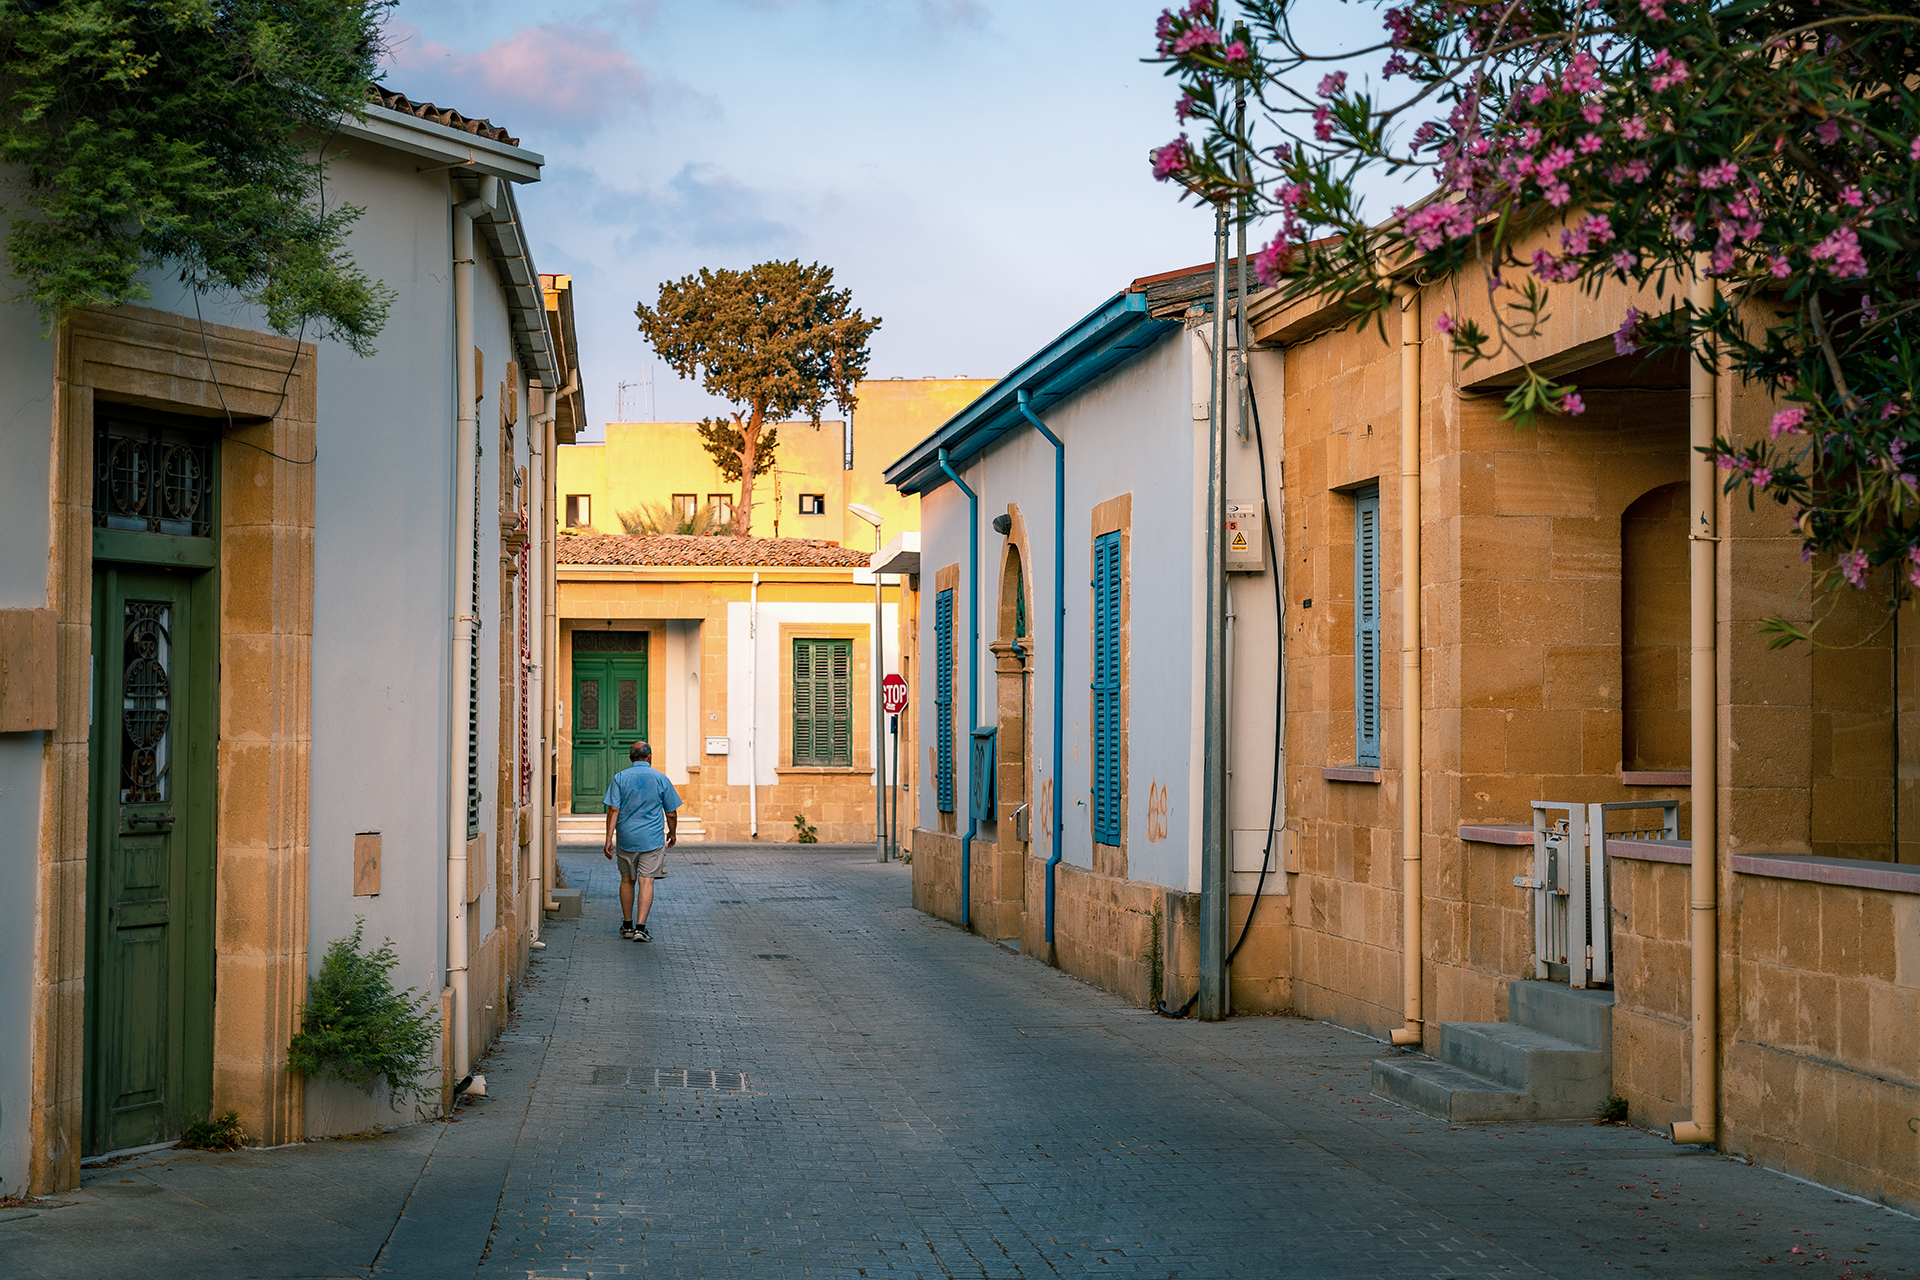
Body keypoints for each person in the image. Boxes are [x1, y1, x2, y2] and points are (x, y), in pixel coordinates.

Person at [603, 740, 680, 941]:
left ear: (630, 758)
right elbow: (671, 812)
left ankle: (627, 926)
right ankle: (640, 928)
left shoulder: (620, 778)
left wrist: (608, 838)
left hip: (627, 837)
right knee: (647, 881)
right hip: (652, 839)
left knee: (627, 879)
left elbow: (613, 809)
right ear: (650, 756)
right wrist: (672, 832)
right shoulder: (661, 778)